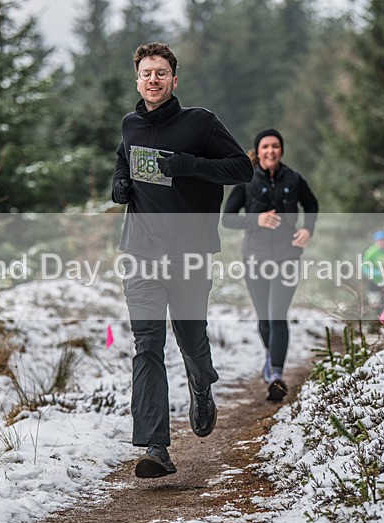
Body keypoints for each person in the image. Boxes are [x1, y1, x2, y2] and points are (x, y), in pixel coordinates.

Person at [111, 42, 253, 478]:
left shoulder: (200, 123)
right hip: (140, 252)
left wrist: (189, 165)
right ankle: (155, 446)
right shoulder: (130, 124)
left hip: (190, 253)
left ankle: (201, 382)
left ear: (174, 80)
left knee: (190, 336)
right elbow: (124, 160)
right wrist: (120, 184)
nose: (153, 79)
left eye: (161, 73)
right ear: (138, 79)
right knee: (147, 345)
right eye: (146, 73)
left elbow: (241, 170)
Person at [221, 128, 318, 402]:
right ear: (258, 151)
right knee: (264, 317)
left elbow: (311, 205)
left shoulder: (294, 179)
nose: (271, 151)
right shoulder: (246, 181)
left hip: (288, 255)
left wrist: (307, 230)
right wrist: (256, 220)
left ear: (281, 150)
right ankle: (270, 355)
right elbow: (227, 219)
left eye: (275, 146)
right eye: (266, 147)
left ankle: (276, 374)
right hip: (256, 256)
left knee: (277, 314)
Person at [362, 230, 384, 316]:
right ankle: (379, 320)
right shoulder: (371, 252)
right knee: (376, 305)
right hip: (374, 283)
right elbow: (365, 268)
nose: (381, 242)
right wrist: (376, 273)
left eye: (383, 240)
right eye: (379, 241)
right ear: (376, 241)